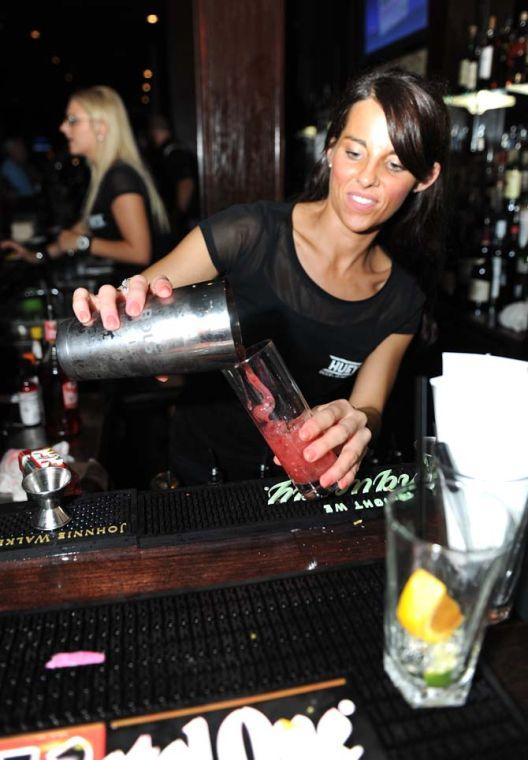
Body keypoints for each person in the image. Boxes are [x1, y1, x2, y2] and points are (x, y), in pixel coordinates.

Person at [72, 67, 450, 491]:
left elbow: (368, 406)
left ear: (425, 179)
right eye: (355, 152)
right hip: (202, 473)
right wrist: (121, 302)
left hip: (300, 486)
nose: (367, 177)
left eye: (395, 164)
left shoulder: (401, 299)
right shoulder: (247, 233)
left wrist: (358, 424)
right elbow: (134, 296)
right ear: (330, 149)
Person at [1, 86, 168, 282]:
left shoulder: (120, 178)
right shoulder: (104, 177)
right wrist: (36, 255)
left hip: (146, 295)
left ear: (101, 128)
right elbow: (77, 233)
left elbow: (140, 252)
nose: (63, 127)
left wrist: (83, 243)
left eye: (73, 120)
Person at [147, 114, 199, 243]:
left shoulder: (173, 151)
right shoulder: (171, 149)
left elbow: (186, 182)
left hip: (183, 218)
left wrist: (178, 215)